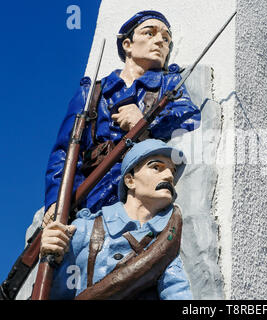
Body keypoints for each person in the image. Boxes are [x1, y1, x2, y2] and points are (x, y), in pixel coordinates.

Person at [44, 10, 200, 226]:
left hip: (140, 191)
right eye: (150, 33)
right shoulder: (92, 93)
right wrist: (55, 201)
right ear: (127, 44)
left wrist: (145, 122)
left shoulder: (170, 84)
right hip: (91, 192)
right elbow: (65, 152)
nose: (160, 41)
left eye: (166, 39)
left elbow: (189, 119)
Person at [42, 139, 192, 299]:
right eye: (157, 167)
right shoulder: (85, 229)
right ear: (130, 180)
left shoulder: (165, 240)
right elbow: (58, 295)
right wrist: (53, 257)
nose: (169, 176)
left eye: (172, 171)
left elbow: (177, 291)